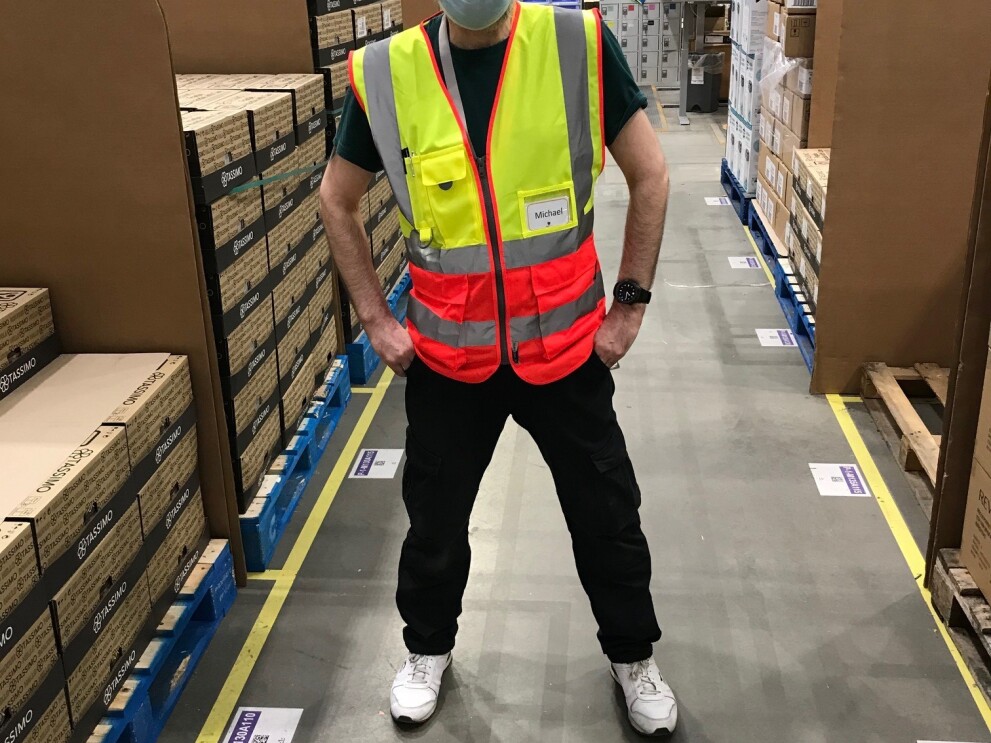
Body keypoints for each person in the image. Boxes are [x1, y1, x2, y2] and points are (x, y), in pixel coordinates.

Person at [319, 0, 674, 735]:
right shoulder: (387, 72)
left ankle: (633, 656)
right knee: (434, 522)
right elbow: (336, 198)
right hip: (451, 358)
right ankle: (426, 649)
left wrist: (629, 305)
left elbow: (650, 173)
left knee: (606, 512)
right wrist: (376, 320)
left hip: (565, 348)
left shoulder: (575, 43)